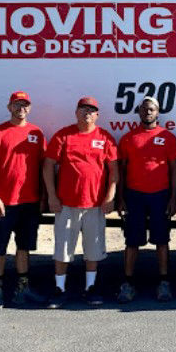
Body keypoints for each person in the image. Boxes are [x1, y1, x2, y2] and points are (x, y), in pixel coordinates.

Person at [43, 96, 118, 308]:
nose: (87, 113)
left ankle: (90, 288)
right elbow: (48, 166)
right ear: (76, 112)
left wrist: (110, 196)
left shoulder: (105, 138)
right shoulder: (64, 135)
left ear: (97, 115)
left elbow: (114, 171)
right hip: (67, 203)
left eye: (92, 110)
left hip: (95, 204)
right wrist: (52, 195)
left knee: (93, 249)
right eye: (84, 109)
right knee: (63, 249)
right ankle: (60, 289)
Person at [0, 91, 47, 310]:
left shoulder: (36, 133)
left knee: (23, 247)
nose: (21, 108)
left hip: (29, 202)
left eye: (25, 104)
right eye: (17, 104)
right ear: (9, 107)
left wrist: (44, 197)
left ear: (30, 108)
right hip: (5, 202)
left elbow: (44, 167)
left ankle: (22, 290)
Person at [117, 96, 176, 303]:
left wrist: (173, 198)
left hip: (160, 195)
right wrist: (120, 198)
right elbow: (121, 170)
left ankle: (164, 282)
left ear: (158, 112)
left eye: (151, 109)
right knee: (132, 241)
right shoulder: (128, 138)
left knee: (161, 240)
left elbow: (174, 170)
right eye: (144, 109)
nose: (148, 112)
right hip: (134, 196)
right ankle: (127, 282)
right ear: (138, 112)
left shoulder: (167, 137)